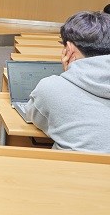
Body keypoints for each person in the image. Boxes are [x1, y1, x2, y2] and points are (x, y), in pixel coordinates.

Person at [26, 11, 110, 152]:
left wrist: (70, 76)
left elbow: (36, 117)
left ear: (69, 49)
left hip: (71, 172)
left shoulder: (51, 88)